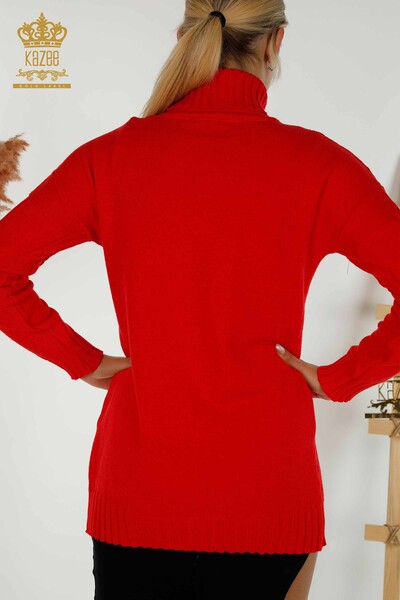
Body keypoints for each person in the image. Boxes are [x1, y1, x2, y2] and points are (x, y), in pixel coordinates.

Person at [0, 1, 399, 599]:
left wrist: (84, 361)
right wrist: (338, 379)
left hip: (139, 494)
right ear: (275, 43)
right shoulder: (319, 165)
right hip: (268, 496)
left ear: (185, 33)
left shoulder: (110, 158)